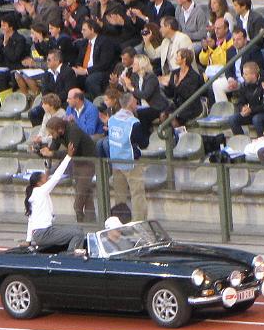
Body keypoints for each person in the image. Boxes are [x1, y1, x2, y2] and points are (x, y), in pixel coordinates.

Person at [24, 142, 85, 251]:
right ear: (38, 183)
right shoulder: (41, 191)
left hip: (41, 233)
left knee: (77, 229)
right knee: (78, 233)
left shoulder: (34, 193)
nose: (46, 178)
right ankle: (71, 258)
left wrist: (28, 240)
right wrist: (68, 157)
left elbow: (30, 219)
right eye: (44, 178)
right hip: (44, 233)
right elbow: (56, 176)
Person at [40, 116, 99, 222]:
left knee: (81, 195)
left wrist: (52, 153)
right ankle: (90, 221)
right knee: (86, 192)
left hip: (88, 162)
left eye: (52, 133)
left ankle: (80, 217)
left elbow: (72, 152)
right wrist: (44, 150)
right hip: (77, 163)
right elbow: (53, 148)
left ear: (59, 129)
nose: (51, 135)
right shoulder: (58, 135)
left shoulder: (73, 131)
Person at [109, 92, 150, 221]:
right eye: (135, 101)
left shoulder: (112, 119)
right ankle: (138, 222)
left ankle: (119, 221)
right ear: (130, 103)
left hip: (115, 160)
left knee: (119, 195)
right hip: (130, 161)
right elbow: (143, 143)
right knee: (137, 193)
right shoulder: (134, 123)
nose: (136, 103)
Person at [73, 19, 120, 98]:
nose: (82, 32)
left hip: (101, 71)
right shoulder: (84, 43)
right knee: (70, 76)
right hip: (85, 70)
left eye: (84, 30)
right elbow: (79, 59)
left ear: (92, 30)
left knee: (91, 79)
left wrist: (86, 71)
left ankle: (98, 100)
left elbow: (104, 64)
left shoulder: (105, 42)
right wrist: (77, 68)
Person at [122, 54, 171, 130]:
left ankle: (145, 136)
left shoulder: (151, 77)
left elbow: (145, 94)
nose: (132, 66)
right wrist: (125, 85)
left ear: (141, 65)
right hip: (141, 105)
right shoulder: (135, 76)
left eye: (134, 64)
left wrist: (130, 87)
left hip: (155, 106)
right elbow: (133, 93)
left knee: (140, 114)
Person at [164, 48, 205, 126]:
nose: (175, 58)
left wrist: (177, 85)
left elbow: (188, 95)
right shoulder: (175, 73)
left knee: (172, 116)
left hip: (190, 106)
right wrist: (167, 85)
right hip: (177, 105)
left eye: (178, 56)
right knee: (163, 113)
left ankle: (180, 135)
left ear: (184, 59)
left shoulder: (194, 76)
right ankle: (167, 136)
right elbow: (170, 94)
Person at [228, 62, 264, 135]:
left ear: (253, 75)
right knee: (232, 119)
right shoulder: (244, 85)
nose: (243, 76)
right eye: (243, 74)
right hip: (251, 113)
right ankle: (243, 141)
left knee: (256, 119)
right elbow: (240, 102)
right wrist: (243, 108)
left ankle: (262, 141)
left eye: (246, 74)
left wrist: (251, 109)